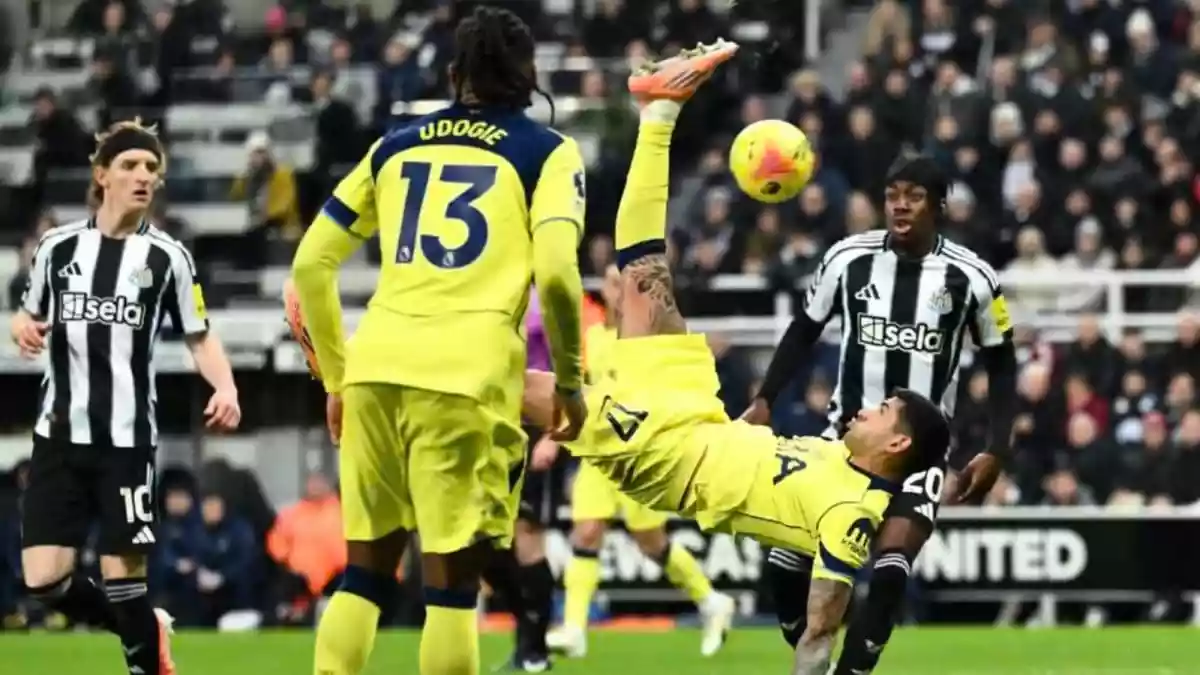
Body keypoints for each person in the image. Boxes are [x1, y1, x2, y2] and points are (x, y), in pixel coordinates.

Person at [518, 41, 950, 675]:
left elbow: (821, 625)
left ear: (894, 447)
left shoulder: (853, 513)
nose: (869, 407)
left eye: (885, 410)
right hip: (700, 419)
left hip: (664, 457)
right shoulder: (833, 454)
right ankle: (659, 112)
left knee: (527, 389)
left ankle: (376, 371)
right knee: (643, 276)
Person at [288, 6, 589, 675]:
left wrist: (337, 377)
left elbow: (311, 264)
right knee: (451, 587)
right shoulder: (545, 151)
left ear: (455, 74)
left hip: (376, 367)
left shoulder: (393, 146)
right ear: (528, 73)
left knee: (363, 575)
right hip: (464, 380)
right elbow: (562, 280)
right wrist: (568, 381)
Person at [741, 153, 1019, 674]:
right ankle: (809, 650)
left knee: (891, 566)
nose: (900, 206)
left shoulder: (972, 277)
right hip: (841, 444)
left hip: (920, 456)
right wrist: (765, 398)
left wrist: (997, 447)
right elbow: (804, 328)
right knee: (785, 562)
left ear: (938, 206)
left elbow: (1002, 365)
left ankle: (852, 672)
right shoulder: (848, 258)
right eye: (893, 195)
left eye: (913, 196)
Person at [10, 119, 241, 675]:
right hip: (59, 436)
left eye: (151, 170)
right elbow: (29, 310)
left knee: (123, 577)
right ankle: (146, 626)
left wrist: (226, 384)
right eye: (131, 166)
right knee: (44, 579)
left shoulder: (168, 259)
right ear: (102, 175)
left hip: (127, 440)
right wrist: (23, 325)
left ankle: (145, 662)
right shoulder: (57, 248)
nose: (143, 177)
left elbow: (199, 333)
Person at [544, 264, 736, 658]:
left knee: (651, 542)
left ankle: (711, 600)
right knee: (586, 532)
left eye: (625, 284)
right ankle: (575, 629)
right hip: (599, 456)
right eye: (613, 283)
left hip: (638, 456)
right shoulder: (593, 338)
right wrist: (555, 435)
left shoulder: (649, 342)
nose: (617, 291)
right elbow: (576, 392)